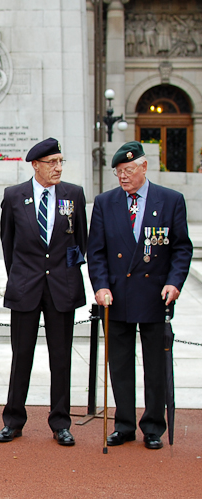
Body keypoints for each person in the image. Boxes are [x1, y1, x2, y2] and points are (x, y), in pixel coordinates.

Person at [87, 141, 192, 450]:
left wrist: (175, 282)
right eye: (119, 172)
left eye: (128, 170)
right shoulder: (105, 203)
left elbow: (182, 247)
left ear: (144, 167)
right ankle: (124, 425)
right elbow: (96, 252)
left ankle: (153, 426)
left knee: (155, 366)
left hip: (154, 295)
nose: (123, 177)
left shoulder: (170, 200)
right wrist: (100, 285)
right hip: (116, 296)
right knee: (119, 364)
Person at [0, 138, 87, 446]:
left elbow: (80, 242)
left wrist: (67, 273)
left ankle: (60, 422)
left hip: (62, 287)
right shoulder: (14, 196)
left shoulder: (73, 195)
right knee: (21, 356)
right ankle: (13, 421)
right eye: (52, 163)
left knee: (60, 358)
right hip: (26, 288)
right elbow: (8, 243)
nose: (58, 167)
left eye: (61, 162)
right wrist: (20, 276)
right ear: (36, 165)